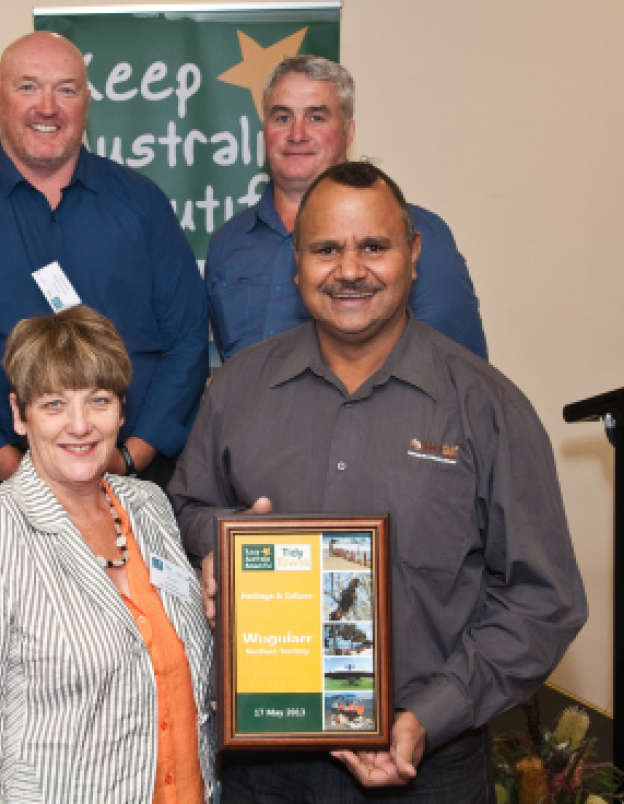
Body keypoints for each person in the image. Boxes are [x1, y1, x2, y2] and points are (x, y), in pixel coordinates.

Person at [170, 161, 586, 802]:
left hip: (430, 765)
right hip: (266, 765)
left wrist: (431, 713)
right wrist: (220, 541)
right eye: (327, 249)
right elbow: (186, 507)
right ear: (298, 261)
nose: (350, 269)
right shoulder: (237, 390)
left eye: (373, 246)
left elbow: (543, 600)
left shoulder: (486, 407)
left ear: (413, 254)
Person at [0, 306, 215, 802]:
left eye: (98, 400)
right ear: (19, 414)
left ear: (122, 409)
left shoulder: (150, 507)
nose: (79, 425)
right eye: (54, 405)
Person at [0, 31, 209, 493]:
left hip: (135, 482)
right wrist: (9, 467)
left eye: (66, 89)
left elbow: (187, 341)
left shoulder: (142, 204)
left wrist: (130, 458)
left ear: (87, 100)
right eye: (27, 87)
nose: (47, 107)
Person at [205, 55, 487, 361]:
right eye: (282, 118)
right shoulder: (228, 243)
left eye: (316, 118)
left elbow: (459, 370)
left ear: (348, 132)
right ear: (264, 132)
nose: (296, 135)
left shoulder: (419, 234)